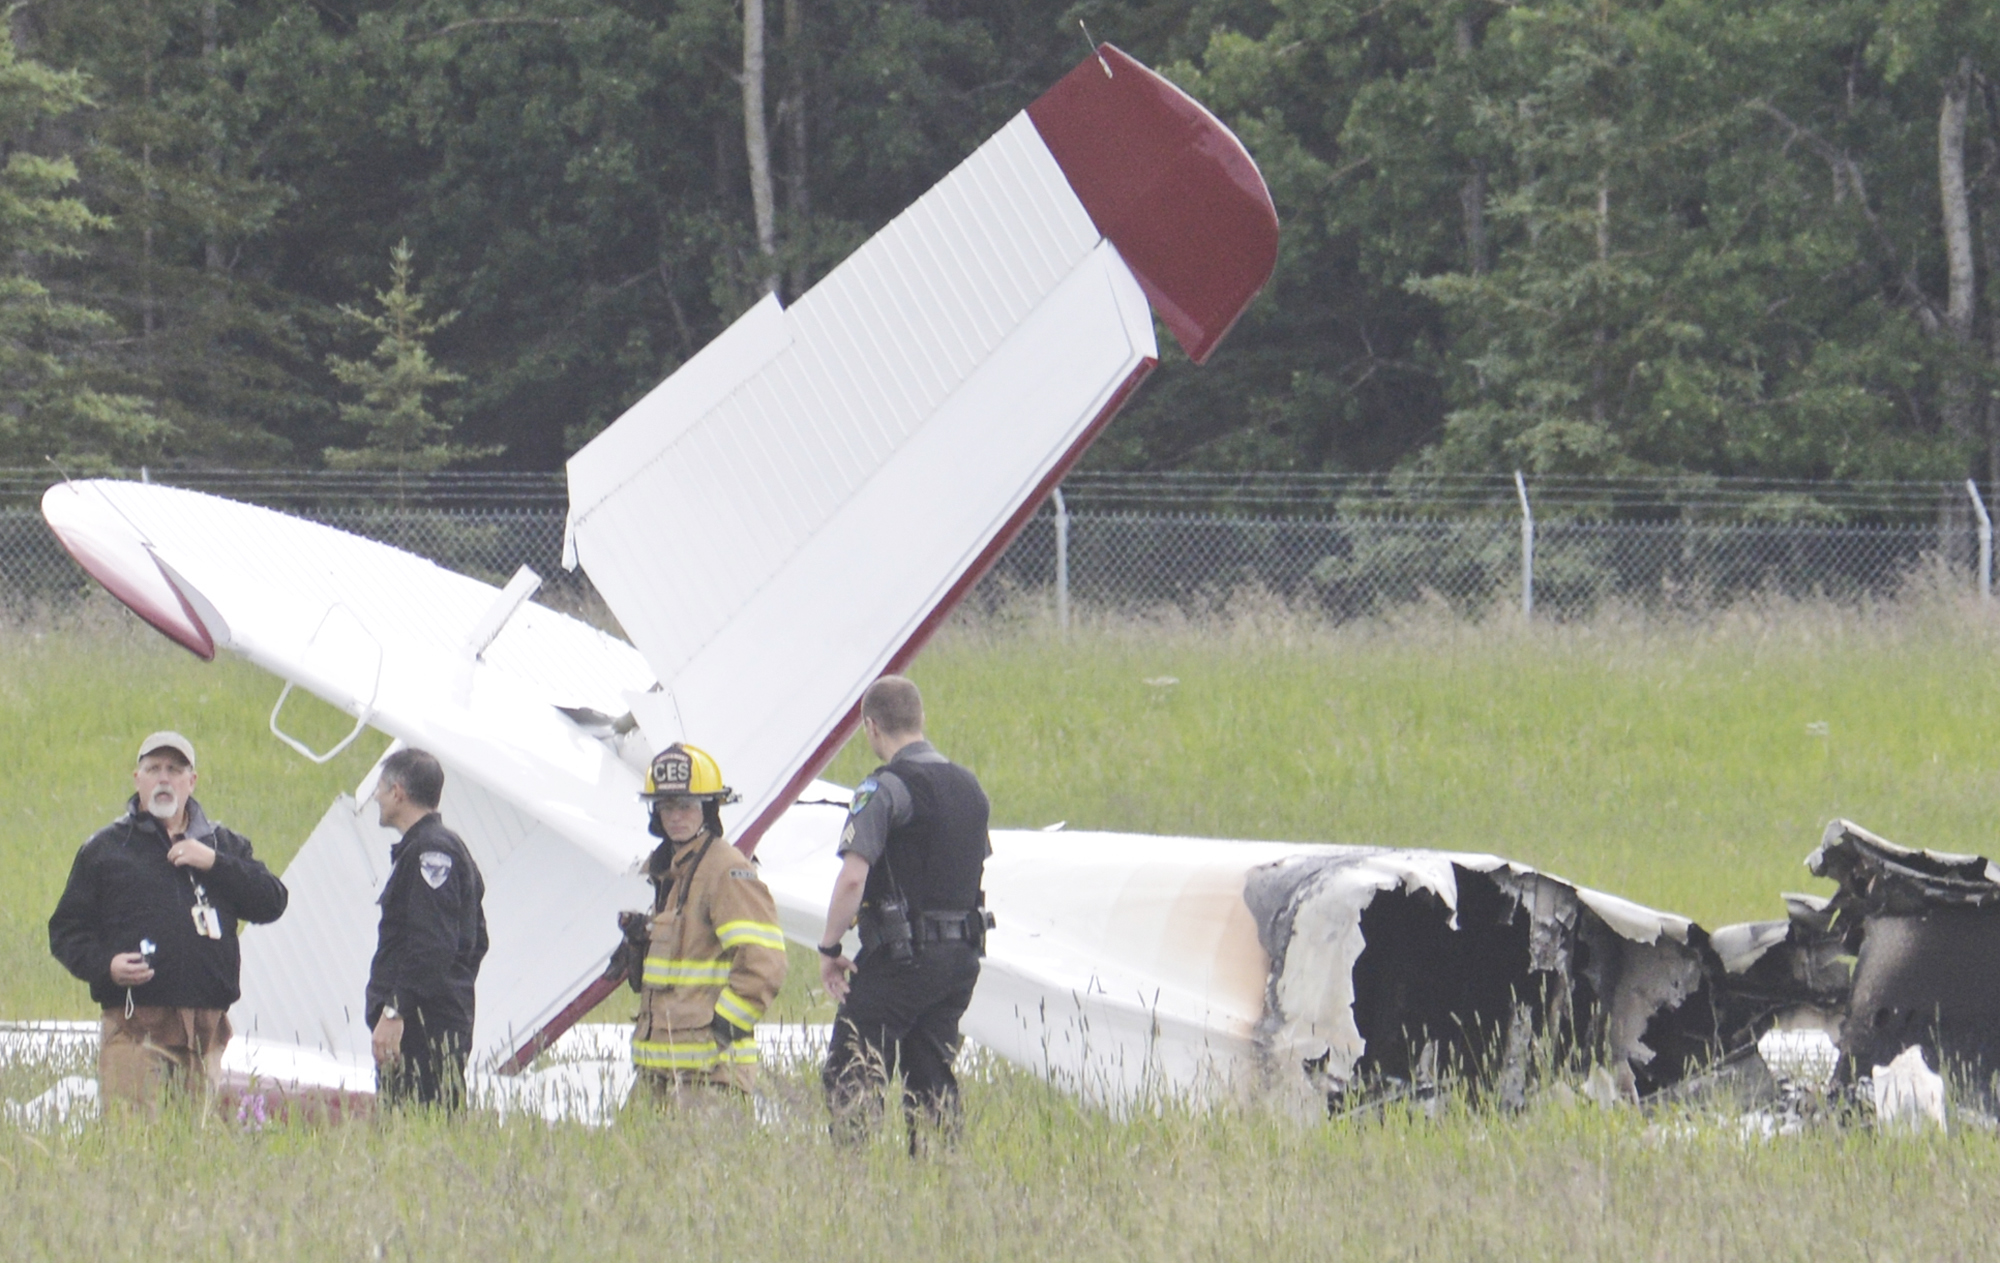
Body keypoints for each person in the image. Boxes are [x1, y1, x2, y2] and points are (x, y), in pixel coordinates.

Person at [48, 731, 289, 1113]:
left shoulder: (222, 844)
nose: (164, 778)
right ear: (137, 779)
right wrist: (106, 965)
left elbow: (272, 902)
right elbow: (65, 931)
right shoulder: (106, 849)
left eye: (175, 769)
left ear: (191, 782)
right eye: (153, 768)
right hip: (133, 1024)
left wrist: (213, 862)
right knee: (132, 1143)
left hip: (205, 1029)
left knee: (190, 1148)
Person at [818, 676, 992, 1150]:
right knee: (932, 1079)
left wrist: (830, 947)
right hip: (960, 961)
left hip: (902, 958)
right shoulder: (969, 788)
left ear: (871, 727)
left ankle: (852, 1183)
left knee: (851, 1070)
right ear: (921, 720)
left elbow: (853, 878)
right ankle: (939, 1183)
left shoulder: (884, 788)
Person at [626, 742, 787, 1100]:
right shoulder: (671, 871)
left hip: (710, 1079)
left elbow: (764, 963)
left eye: (686, 806)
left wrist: (722, 1031)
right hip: (658, 1073)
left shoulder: (726, 871)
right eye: (666, 807)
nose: (675, 816)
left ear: (709, 809)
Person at [364, 747, 489, 1110]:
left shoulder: (431, 854)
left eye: (381, 790)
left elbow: (432, 945)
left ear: (398, 792)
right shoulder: (439, 848)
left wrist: (396, 1011)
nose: (377, 798)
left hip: (422, 1029)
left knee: (418, 1127)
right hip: (432, 1019)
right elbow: (476, 940)